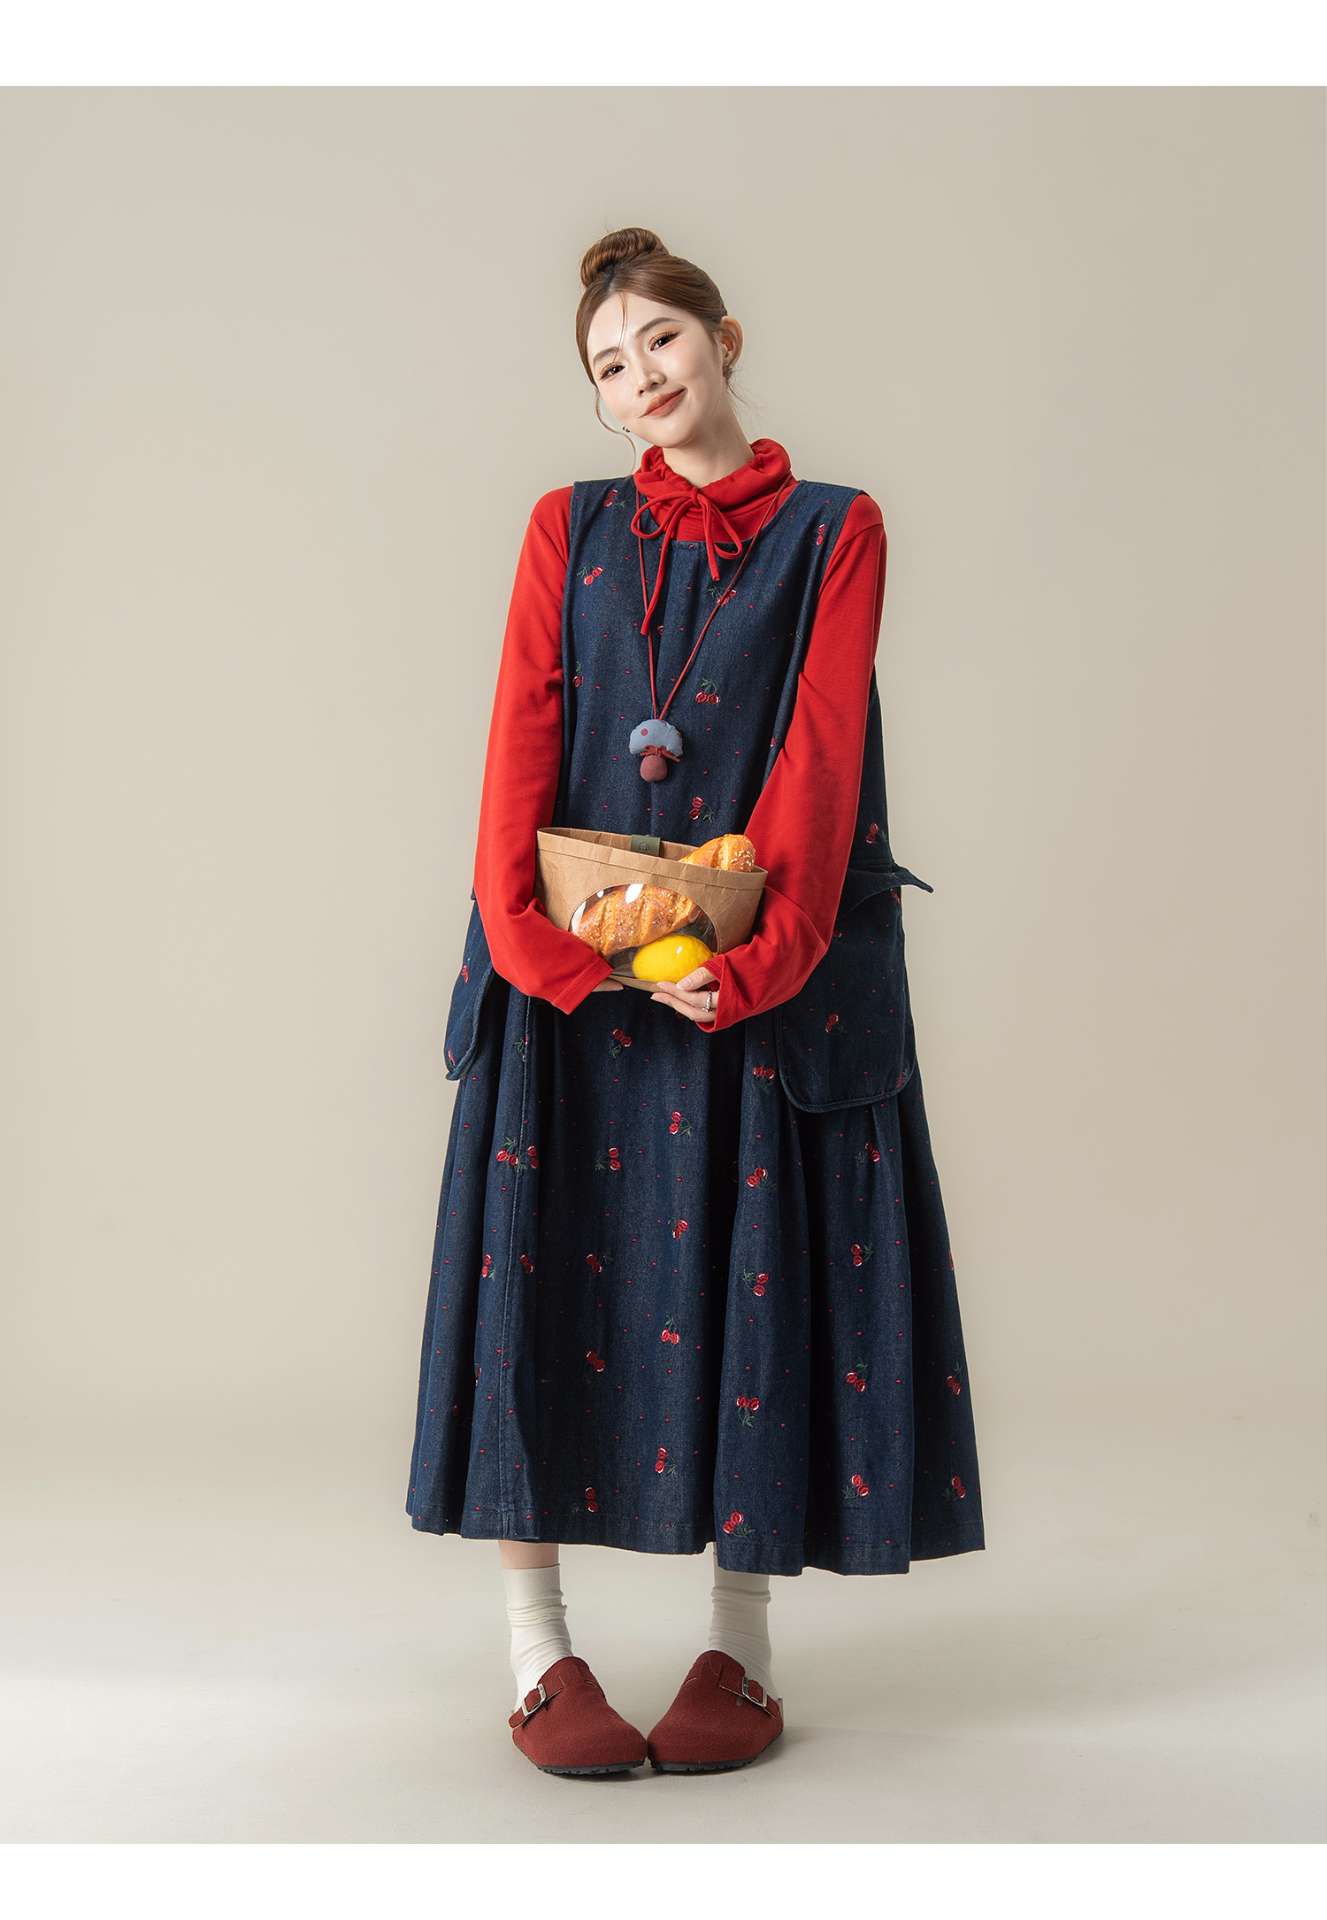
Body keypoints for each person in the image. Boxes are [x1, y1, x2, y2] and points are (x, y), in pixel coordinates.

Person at [406, 226, 986, 1777]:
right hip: (573, 973)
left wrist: (764, 956)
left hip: (753, 973)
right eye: (609, 366)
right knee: (537, 1282)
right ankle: (539, 1653)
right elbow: (520, 734)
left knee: (754, 1284)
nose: (641, 378)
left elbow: (823, 745)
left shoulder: (837, 528)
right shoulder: (567, 525)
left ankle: (743, 1643)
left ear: (725, 340)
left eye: (660, 340)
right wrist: (532, 947)